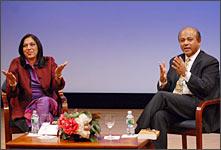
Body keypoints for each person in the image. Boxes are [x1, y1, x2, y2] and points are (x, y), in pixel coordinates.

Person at [135, 26, 220, 149]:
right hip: (178, 106)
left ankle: (137, 132)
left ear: (199, 41)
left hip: (198, 105)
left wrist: (185, 74)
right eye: (182, 40)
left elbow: (205, 88)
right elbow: (168, 90)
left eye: (189, 39)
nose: (185, 43)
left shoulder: (210, 62)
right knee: (159, 115)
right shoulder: (175, 60)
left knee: (161, 96)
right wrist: (163, 82)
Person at [2, 33, 68, 132]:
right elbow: (11, 93)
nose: (28, 48)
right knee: (47, 117)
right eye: (25, 45)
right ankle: (43, 133)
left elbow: (57, 87)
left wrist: (57, 76)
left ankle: (37, 133)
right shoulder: (16, 63)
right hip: (26, 107)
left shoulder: (49, 61)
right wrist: (12, 84)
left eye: (32, 44)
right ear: (22, 49)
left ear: (38, 47)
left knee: (44, 101)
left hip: (49, 103)